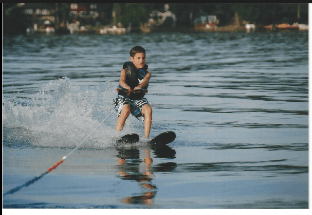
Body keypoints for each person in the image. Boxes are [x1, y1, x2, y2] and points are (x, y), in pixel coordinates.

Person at [114, 46, 152, 139]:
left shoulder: (147, 74)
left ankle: (147, 138)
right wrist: (127, 87)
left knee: (148, 110)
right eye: (138, 58)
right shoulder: (125, 70)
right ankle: (117, 136)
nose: (141, 60)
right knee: (126, 109)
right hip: (124, 97)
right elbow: (121, 81)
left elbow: (144, 83)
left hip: (137, 98)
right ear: (132, 59)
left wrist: (139, 87)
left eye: (143, 58)